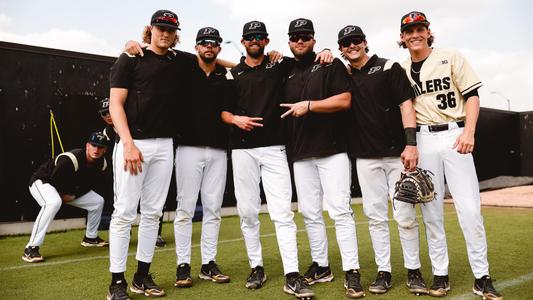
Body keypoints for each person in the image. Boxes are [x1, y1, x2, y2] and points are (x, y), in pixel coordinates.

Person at [399, 11, 503, 300]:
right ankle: (440, 274)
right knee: (431, 213)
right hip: (423, 139)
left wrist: (469, 132)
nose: (415, 34)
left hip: (454, 135)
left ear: (428, 31)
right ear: (403, 37)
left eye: (419, 28)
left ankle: (482, 276)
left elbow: (472, 96)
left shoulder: (450, 56)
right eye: (409, 31)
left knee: (469, 210)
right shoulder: (402, 67)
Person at [221, 20, 314, 299]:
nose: (254, 40)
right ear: (243, 40)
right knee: (248, 212)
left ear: (266, 40)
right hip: (242, 150)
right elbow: (223, 112)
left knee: (282, 214)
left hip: (275, 149)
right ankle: (256, 267)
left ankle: (292, 275)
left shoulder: (280, 65)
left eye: (259, 36)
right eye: (249, 37)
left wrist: (327, 53)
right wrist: (235, 119)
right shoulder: (232, 73)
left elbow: (306, 59)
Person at [337, 25, 426, 295]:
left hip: (397, 155)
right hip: (365, 158)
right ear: (341, 49)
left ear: (365, 42)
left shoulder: (389, 67)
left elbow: (406, 105)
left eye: (355, 41)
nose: (352, 46)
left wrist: (411, 144)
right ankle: (383, 272)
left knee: (405, 216)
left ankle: (414, 271)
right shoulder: (343, 75)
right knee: (375, 218)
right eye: (345, 43)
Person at [107, 9, 187, 300]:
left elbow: (212, 61)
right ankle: (116, 282)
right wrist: (127, 143)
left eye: (170, 29)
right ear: (150, 29)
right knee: (125, 213)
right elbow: (116, 104)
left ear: (176, 33)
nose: (165, 33)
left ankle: (141, 277)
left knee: (153, 214)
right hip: (134, 145)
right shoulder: (130, 58)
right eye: (160, 27)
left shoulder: (179, 61)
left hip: (165, 146)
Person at [280, 18, 362, 299]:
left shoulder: (330, 64)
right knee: (311, 213)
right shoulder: (286, 69)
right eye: (294, 37)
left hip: (332, 151)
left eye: (304, 36)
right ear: (289, 41)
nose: (299, 41)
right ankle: (322, 265)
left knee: (339, 211)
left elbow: (345, 100)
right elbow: (246, 66)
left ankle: (352, 271)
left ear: (313, 39)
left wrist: (310, 106)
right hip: (301, 154)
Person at [173, 26, 231, 288]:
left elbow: (241, 66)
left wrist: (221, 61)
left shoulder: (224, 74)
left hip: (218, 151)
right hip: (188, 149)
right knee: (185, 210)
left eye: (214, 43)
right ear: (196, 46)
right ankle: (183, 266)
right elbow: (156, 49)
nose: (209, 46)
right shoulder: (183, 64)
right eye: (204, 42)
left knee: (213, 210)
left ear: (219, 47)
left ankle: (209, 264)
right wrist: (132, 43)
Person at [22, 132, 109, 263]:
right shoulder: (71, 159)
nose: (96, 150)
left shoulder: (102, 164)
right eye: (93, 145)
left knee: (97, 201)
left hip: (67, 190)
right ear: (87, 146)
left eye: (100, 147)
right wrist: (63, 195)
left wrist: (73, 195)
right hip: (42, 182)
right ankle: (31, 248)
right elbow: (54, 179)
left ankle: (90, 238)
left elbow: (90, 185)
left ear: (105, 150)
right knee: (53, 202)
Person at [99, 97, 166, 247]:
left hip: (144, 159)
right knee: (122, 202)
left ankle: (156, 235)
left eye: (109, 111)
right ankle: (123, 234)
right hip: (123, 167)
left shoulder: (131, 121)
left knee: (152, 201)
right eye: (104, 113)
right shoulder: (106, 132)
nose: (108, 116)